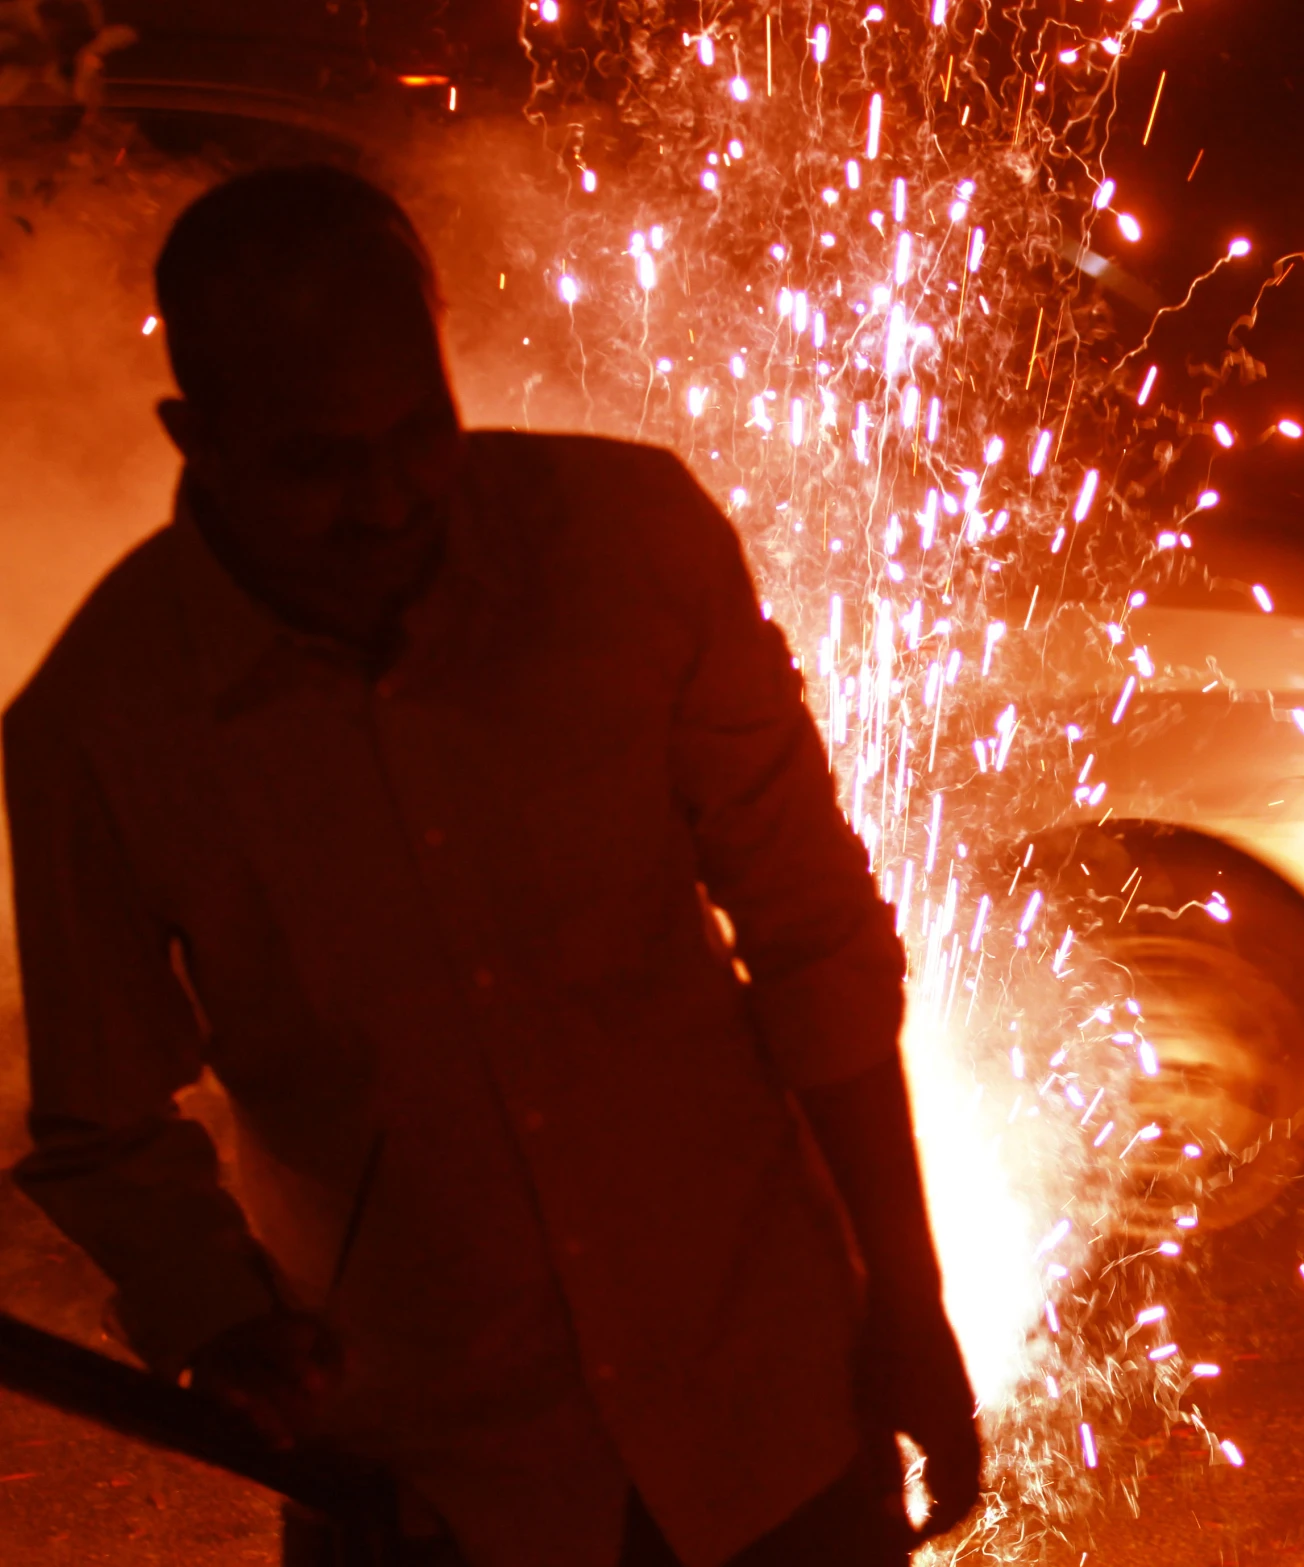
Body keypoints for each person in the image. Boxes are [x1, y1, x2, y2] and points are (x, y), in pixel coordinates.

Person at [3, 165, 981, 1567]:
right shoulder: (104, 724)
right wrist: (215, 1315)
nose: (389, 498)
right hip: (433, 1484)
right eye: (317, 463)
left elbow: (812, 927)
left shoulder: (631, 543)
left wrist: (905, 1292)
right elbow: (102, 1124)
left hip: (765, 1409)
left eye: (419, 428)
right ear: (194, 435)